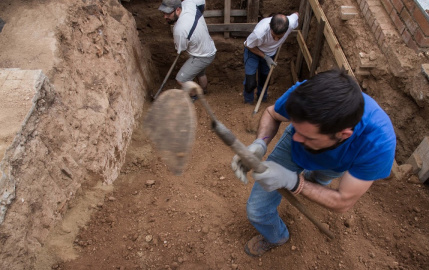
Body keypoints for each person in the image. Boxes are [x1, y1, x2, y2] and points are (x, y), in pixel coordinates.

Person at [231, 69, 396, 256]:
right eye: (296, 127)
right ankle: (277, 236)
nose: (297, 138)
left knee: (318, 182)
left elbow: (343, 202)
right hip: (293, 154)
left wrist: (294, 182)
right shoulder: (305, 96)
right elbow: (272, 114)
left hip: (337, 164)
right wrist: (260, 142)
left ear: (343, 134)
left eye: (307, 136)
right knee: (257, 210)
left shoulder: (378, 144)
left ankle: (311, 182)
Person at [159, 0, 216, 98]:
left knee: (181, 79)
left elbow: (181, 48)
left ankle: (195, 95)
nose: (165, 17)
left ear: (177, 10)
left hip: (201, 55)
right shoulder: (189, 3)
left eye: (168, 13)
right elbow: (202, 4)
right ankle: (203, 91)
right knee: (200, 72)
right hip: (208, 46)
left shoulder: (180, 30)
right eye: (163, 13)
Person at [243, 12, 299, 104]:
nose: (276, 40)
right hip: (253, 51)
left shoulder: (291, 23)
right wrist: (265, 57)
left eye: (279, 37)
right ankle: (248, 102)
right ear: (270, 27)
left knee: (265, 79)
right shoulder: (259, 33)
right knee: (250, 82)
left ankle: (262, 99)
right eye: (273, 36)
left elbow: (297, 14)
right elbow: (248, 45)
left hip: (270, 53)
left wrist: (268, 56)